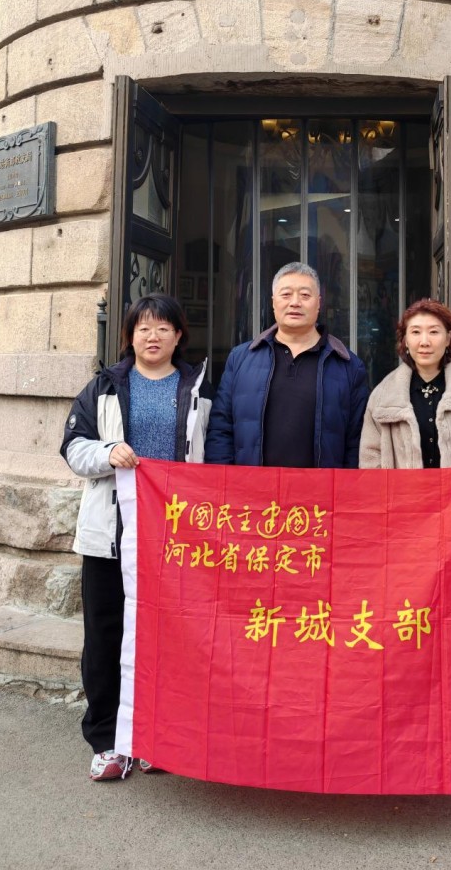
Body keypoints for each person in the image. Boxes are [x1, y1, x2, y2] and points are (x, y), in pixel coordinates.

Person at [60, 293, 213, 782]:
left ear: (178, 335)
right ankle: (107, 740)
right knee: (106, 637)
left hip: (175, 539)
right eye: (144, 327)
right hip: (111, 535)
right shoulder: (104, 387)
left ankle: (156, 736)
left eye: (163, 328)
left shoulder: (198, 389)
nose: (153, 336)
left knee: (169, 639)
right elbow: (73, 448)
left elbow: (213, 458)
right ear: (129, 335)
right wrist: (108, 453)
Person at [205, 262, 368, 468]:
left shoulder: (349, 366)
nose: (295, 302)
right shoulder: (240, 359)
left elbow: (357, 442)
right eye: (286, 294)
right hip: (251, 486)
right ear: (273, 302)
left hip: (322, 487)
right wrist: (226, 480)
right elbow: (221, 429)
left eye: (305, 295)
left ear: (319, 303)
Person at [359, 299, 451, 470]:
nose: (424, 342)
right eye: (415, 332)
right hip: (402, 489)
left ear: (448, 338)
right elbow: (370, 458)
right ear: (405, 339)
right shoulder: (383, 396)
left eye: (434, 332)